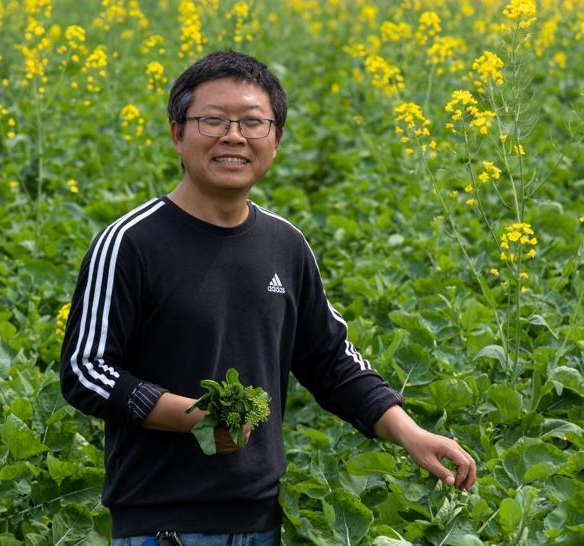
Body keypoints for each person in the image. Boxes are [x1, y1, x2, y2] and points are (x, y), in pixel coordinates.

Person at [60, 50, 476, 545]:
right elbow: (85, 370)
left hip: (261, 523)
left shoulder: (285, 244)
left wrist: (412, 434)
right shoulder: (131, 242)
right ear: (177, 133)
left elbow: (329, 360)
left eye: (253, 123)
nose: (233, 136)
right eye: (212, 120)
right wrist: (194, 417)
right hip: (161, 526)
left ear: (275, 140)